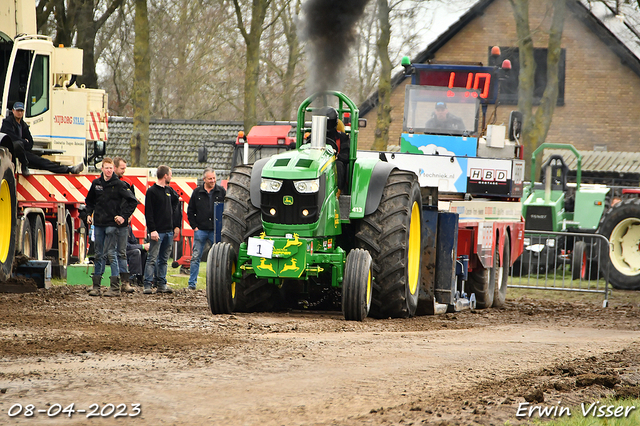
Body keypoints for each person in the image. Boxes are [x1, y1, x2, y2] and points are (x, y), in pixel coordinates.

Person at [85, 157, 138, 297]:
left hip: (112, 225)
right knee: (98, 254)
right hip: (99, 224)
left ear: (113, 169)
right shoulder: (96, 184)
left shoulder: (119, 184)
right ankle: (96, 285)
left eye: (110, 168)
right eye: (106, 168)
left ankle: (114, 286)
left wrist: (123, 216)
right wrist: (89, 214)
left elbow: (133, 201)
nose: (108, 170)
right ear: (101, 168)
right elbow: (89, 201)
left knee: (112, 253)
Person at [0, 102, 84, 176]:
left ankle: (69, 169)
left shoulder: (23, 125)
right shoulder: (7, 122)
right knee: (18, 144)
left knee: (42, 162)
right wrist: (24, 142)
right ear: (13, 111)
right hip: (9, 151)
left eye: (21, 111)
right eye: (17, 110)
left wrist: (25, 143)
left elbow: (30, 142)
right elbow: (11, 137)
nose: (19, 113)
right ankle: (24, 165)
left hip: (23, 152)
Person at [143, 165, 181, 294]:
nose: (171, 176)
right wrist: (152, 230)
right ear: (165, 176)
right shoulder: (152, 191)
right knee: (152, 258)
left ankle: (161, 284)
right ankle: (147, 284)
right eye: (170, 174)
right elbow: (148, 212)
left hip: (168, 231)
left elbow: (176, 206)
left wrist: (175, 225)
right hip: (157, 232)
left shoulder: (169, 191)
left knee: (164, 260)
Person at [186, 168, 226, 290]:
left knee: (219, 257)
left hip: (216, 230)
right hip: (201, 230)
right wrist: (195, 227)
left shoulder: (221, 192)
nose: (213, 180)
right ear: (204, 179)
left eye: (214, 178)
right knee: (196, 257)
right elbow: (190, 211)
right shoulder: (197, 193)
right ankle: (192, 284)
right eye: (210, 178)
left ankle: (218, 285)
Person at [112, 156, 138, 293]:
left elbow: (132, 201)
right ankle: (112, 282)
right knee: (107, 253)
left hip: (123, 223)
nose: (124, 171)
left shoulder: (128, 182)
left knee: (121, 253)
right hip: (108, 222)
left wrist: (127, 216)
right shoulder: (105, 182)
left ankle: (124, 282)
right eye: (122, 168)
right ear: (115, 167)